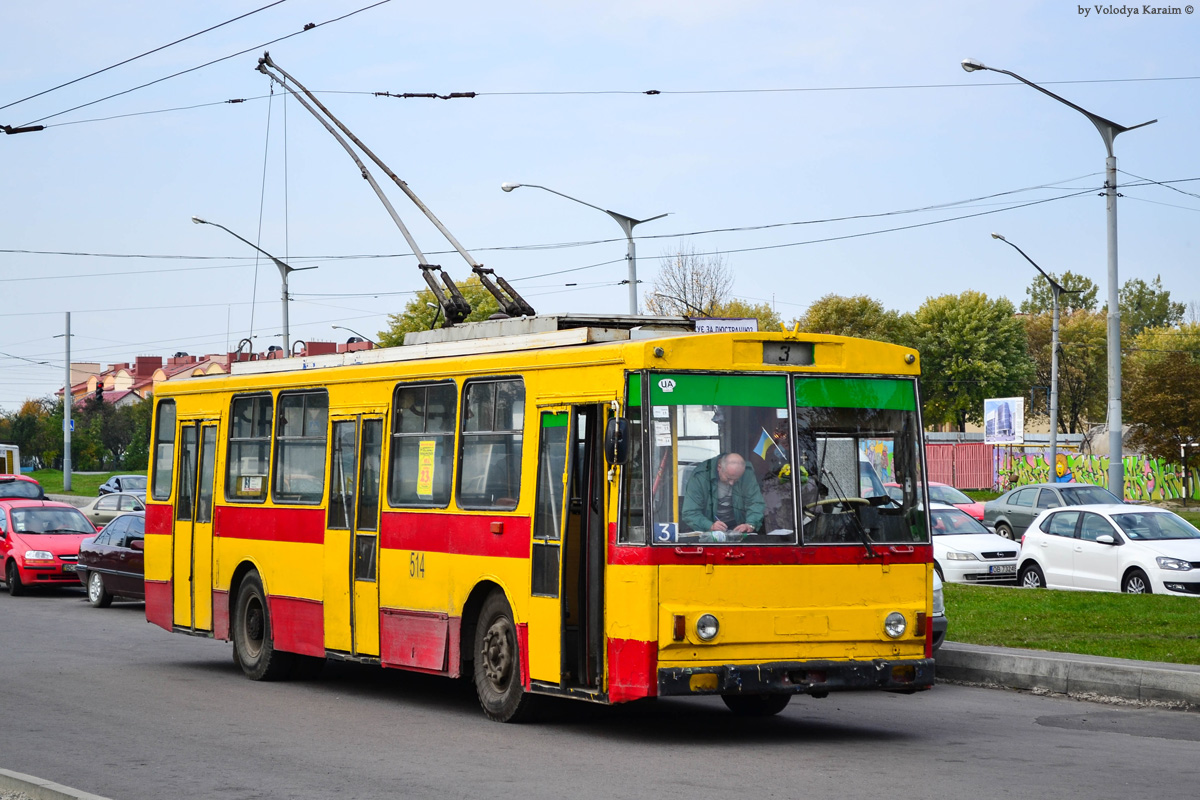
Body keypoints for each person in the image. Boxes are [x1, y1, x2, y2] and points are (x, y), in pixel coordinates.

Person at [681, 452, 765, 534]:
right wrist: (709, 525)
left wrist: (750, 524)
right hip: (707, 533)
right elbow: (690, 512)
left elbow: (756, 503)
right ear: (719, 467)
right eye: (729, 478)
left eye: (736, 479)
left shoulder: (746, 473)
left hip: (738, 530)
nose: (732, 483)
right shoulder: (700, 476)